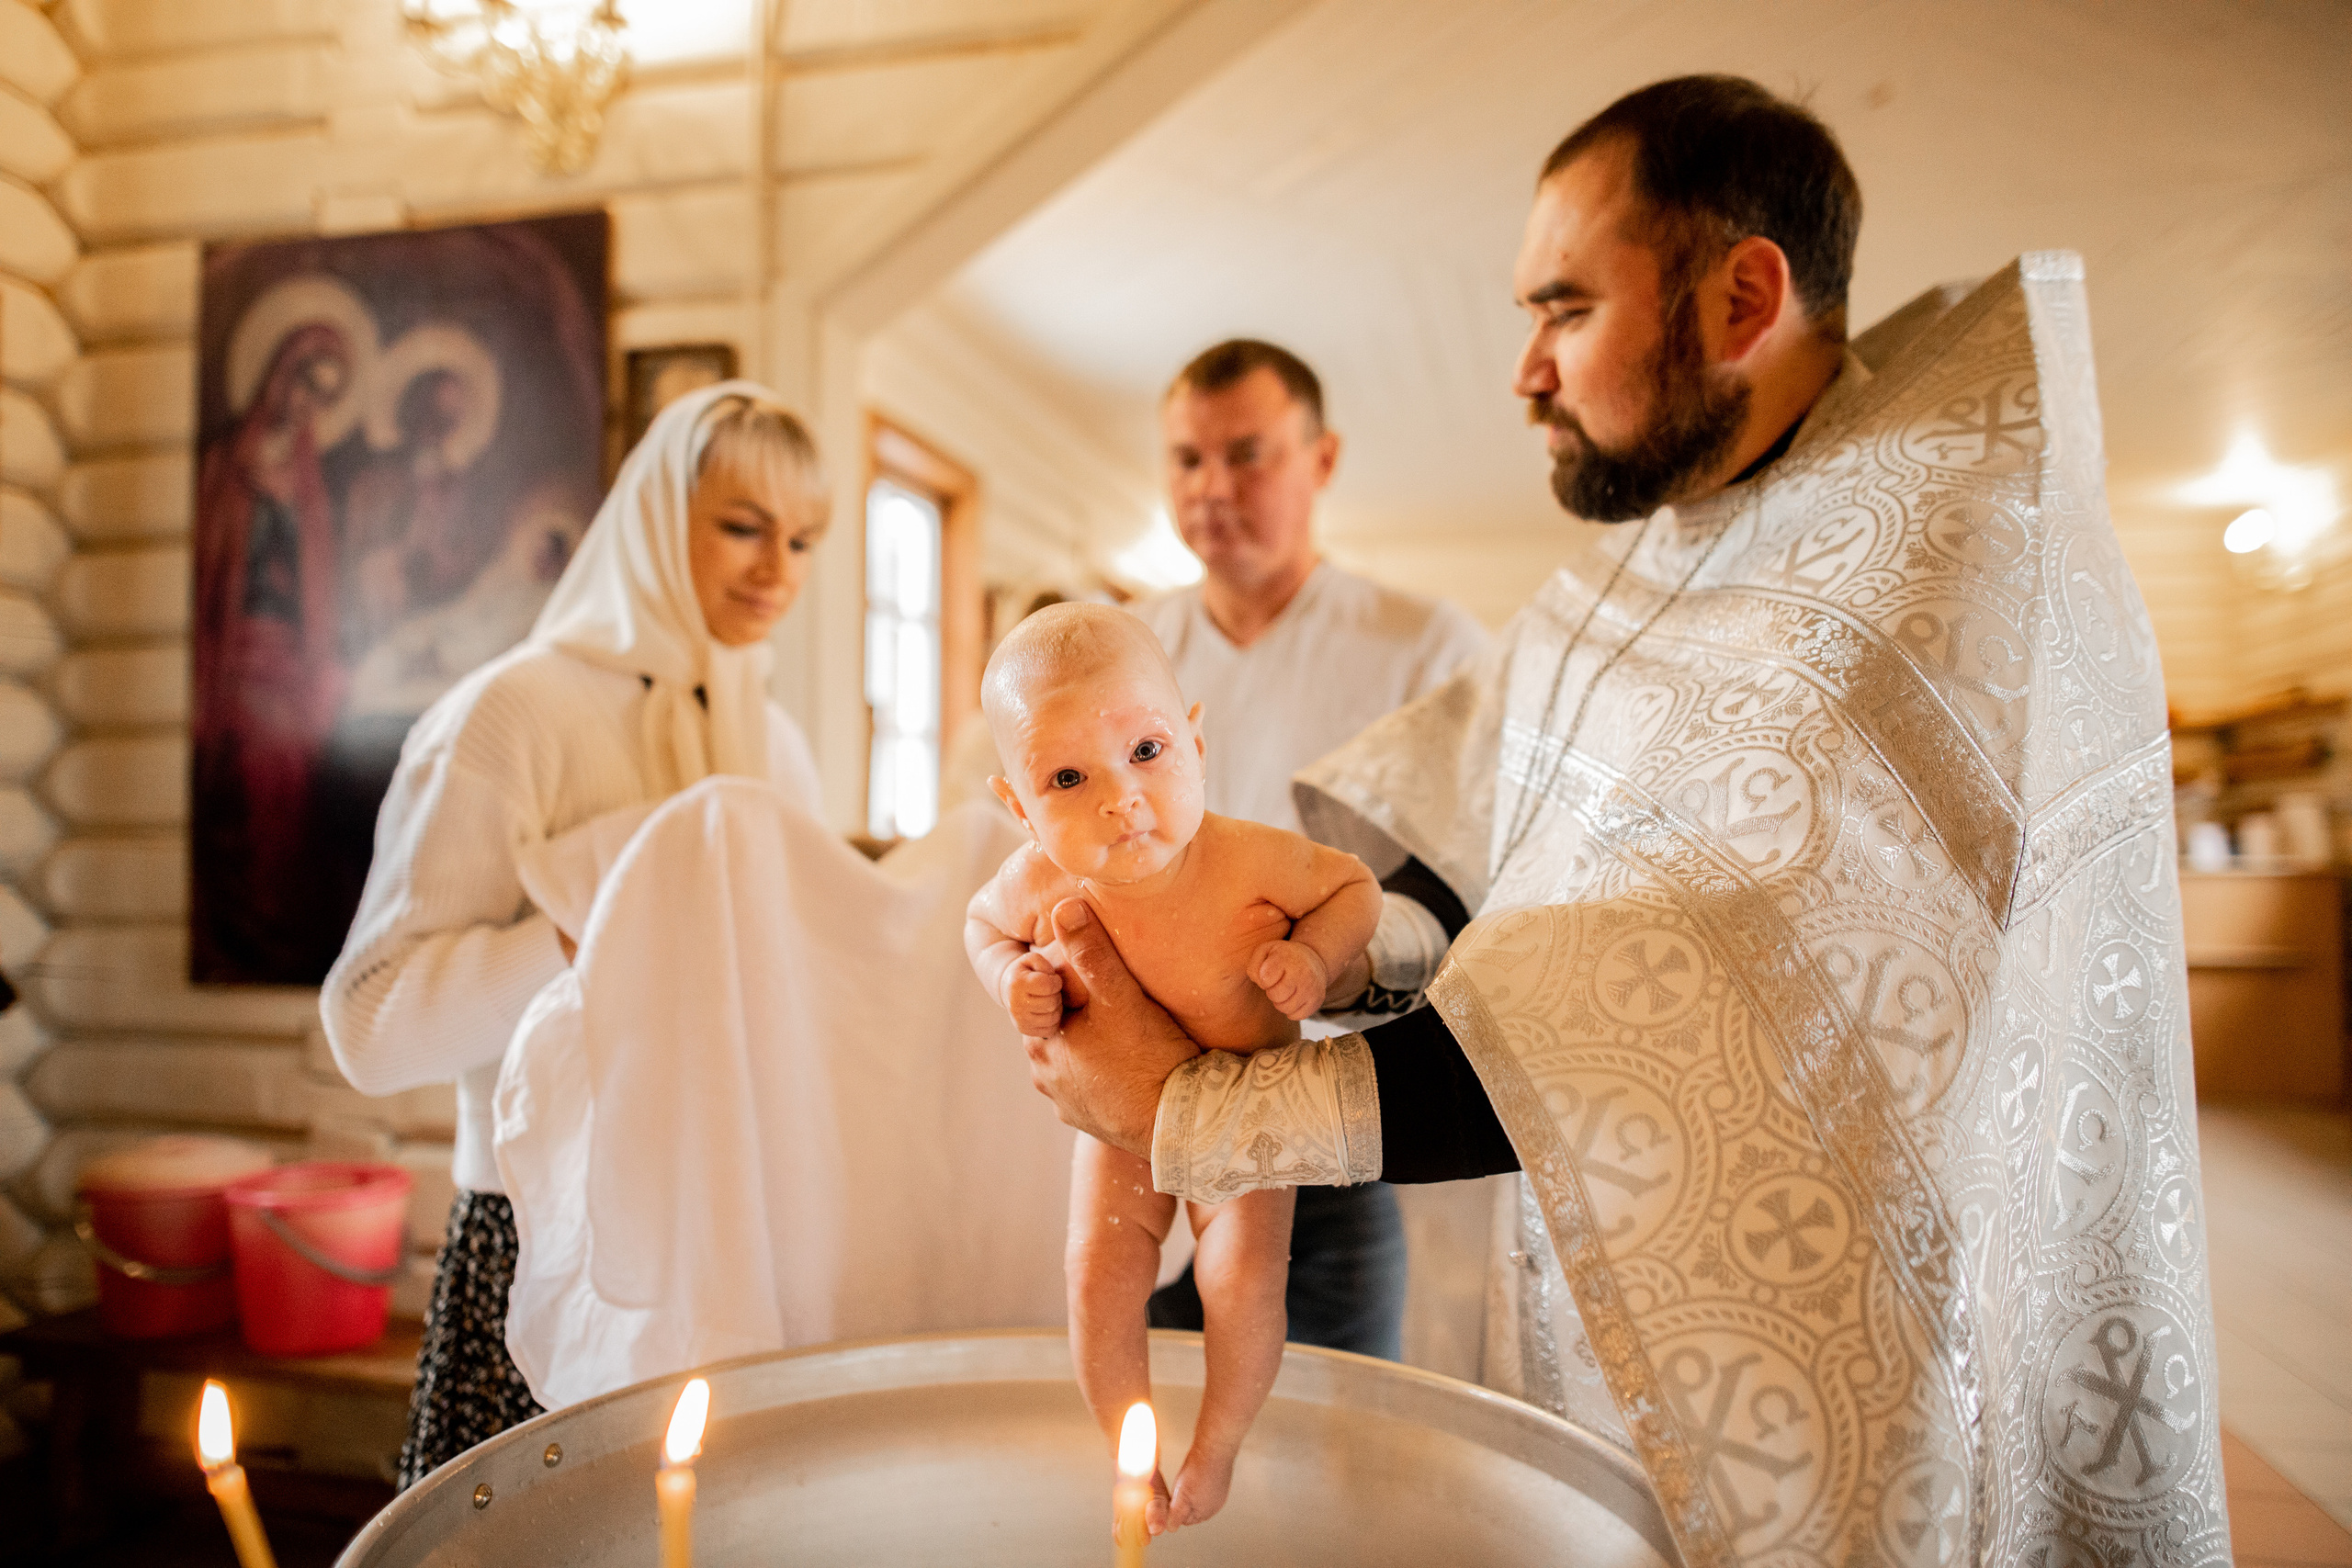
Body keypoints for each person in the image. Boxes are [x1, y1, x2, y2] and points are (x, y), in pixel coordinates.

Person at [1012, 77, 2221, 1567]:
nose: (1524, 370)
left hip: (1887, 1365)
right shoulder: (1656, 563)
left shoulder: (1940, 568)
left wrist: (1198, 1108)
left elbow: (1686, 1020)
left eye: (1566, 309)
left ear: (1739, 298)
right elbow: (1451, 875)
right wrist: (1188, 958)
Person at [321, 382, 831, 1488]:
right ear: (654, 516)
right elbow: (368, 1022)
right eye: (742, 525)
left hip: (727, 1235)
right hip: (538, 1232)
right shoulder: (511, 716)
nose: (777, 568)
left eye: (803, 538)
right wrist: (583, 922)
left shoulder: (775, 744)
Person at [965, 604, 1380, 1531]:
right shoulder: (1036, 880)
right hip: (1117, 1123)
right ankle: (1128, 1455)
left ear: (1194, 739)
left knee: (1239, 1282)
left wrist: (1312, 957)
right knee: (1096, 1276)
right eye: (1067, 778)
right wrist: (1011, 978)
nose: (1120, 799)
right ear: (1018, 807)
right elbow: (980, 928)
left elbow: (1358, 888)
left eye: (1145, 752)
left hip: (1252, 1114)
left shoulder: (1248, 860)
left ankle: (1218, 1446)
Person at [1134, 339, 1490, 1362]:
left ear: (1321, 460)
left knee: (1328, 1449)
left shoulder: (1429, 648)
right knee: (1131, 1434)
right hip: (1146, 1114)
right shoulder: (1125, 648)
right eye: (1186, 460)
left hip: (1331, 1135)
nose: (1211, 489)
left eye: (1246, 455)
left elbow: (1472, 886)